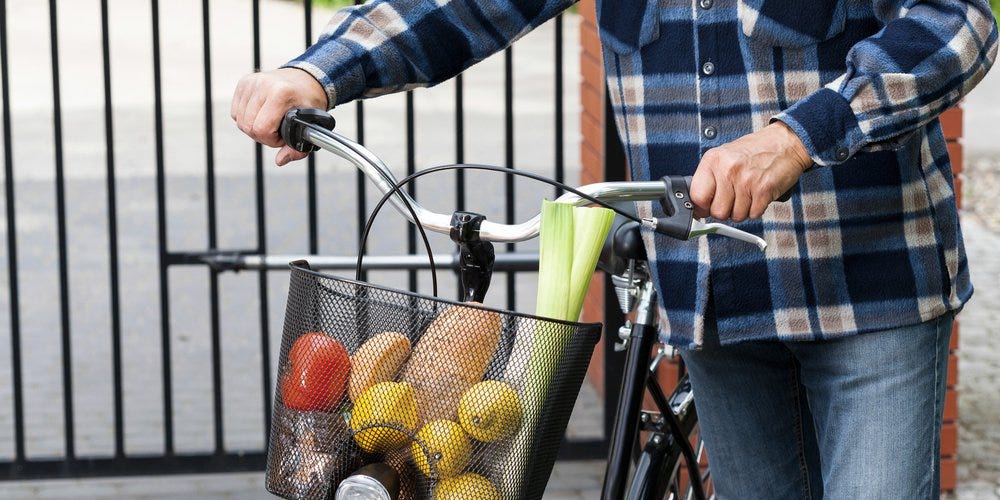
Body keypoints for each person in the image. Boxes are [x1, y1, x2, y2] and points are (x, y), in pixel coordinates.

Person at [232, 0, 998, 497]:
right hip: (714, 292)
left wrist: (800, 136)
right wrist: (319, 70)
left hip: (870, 283)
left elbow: (957, 21)